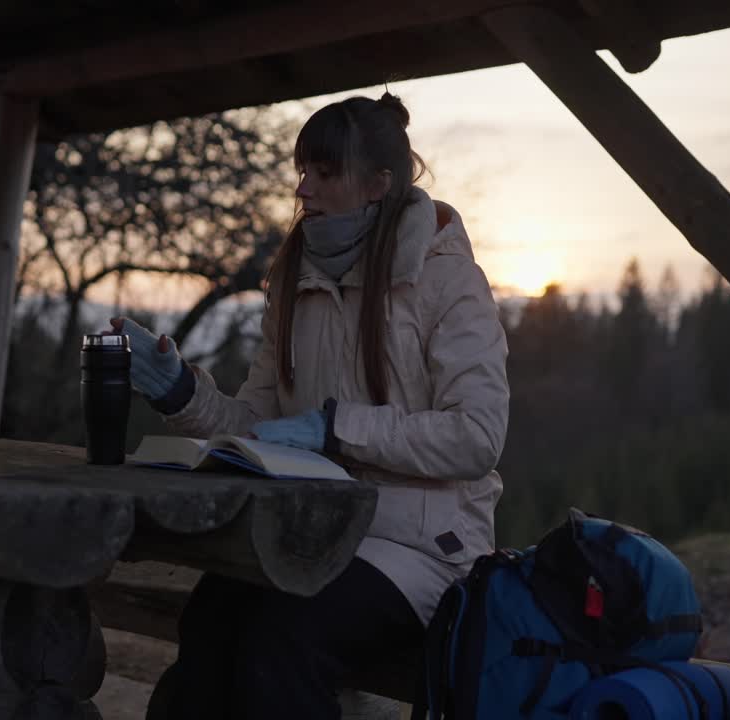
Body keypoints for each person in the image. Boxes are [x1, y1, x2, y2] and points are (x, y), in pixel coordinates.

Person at [110, 93, 509, 720]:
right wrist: (181, 393)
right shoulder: (295, 278)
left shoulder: (448, 281)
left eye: (324, 173)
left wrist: (336, 428)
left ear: (378, 184)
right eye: (302, 170)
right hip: (311, 534)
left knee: (283, 640)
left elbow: (476, 437)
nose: (304, 188)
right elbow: (260, 428)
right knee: (211, 619)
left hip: (424, 549)